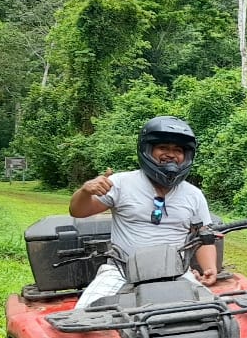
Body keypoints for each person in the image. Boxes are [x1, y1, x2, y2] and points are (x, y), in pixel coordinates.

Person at [69, 115, 218, 310]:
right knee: (84, 317)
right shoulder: (121, 183)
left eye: (178, 150)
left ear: (186, 156)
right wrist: (85, 191)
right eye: (163, 148)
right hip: (121, 271)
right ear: (147, 150)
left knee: (213, 315)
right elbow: (78, 211)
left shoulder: (193, 195)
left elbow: (203, 237)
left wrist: (209, 268)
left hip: (176, 272)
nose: (171, 154)